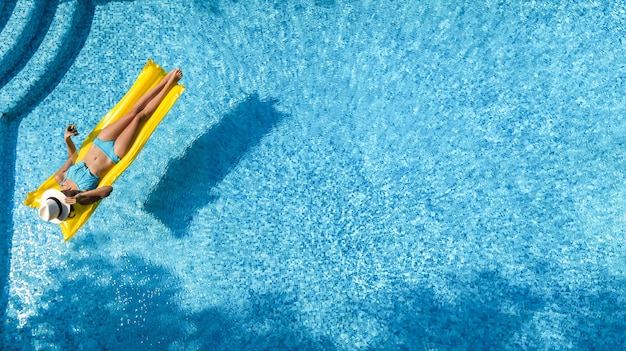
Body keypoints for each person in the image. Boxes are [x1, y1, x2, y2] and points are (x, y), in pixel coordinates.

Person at [47, 68, 183, 209]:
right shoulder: (83, 199)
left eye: (59, 197)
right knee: (138, 118)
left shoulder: (60, 178)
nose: (62, 195)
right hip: (113, 155)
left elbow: (73, 157)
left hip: (100, 142)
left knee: (132, 112)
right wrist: (81, 196)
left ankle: (163, 82)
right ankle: (169, 85)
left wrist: (67, 139)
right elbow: (108, 190)